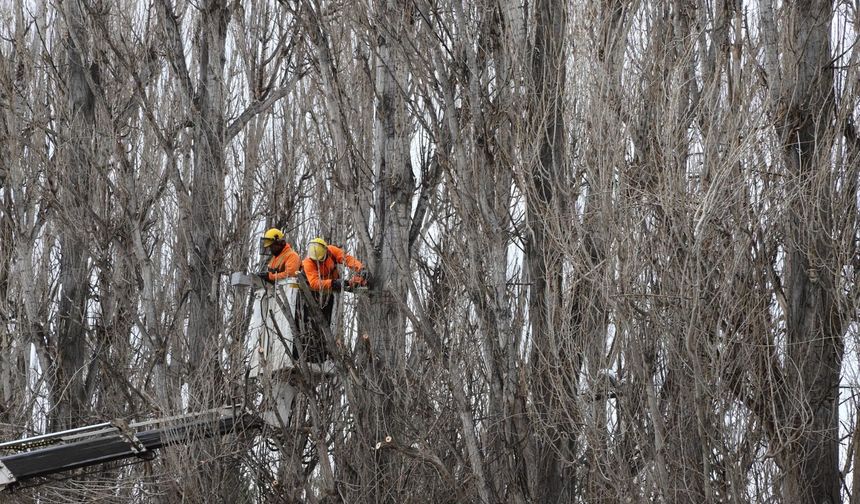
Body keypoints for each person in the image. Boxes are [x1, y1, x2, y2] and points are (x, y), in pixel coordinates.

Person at [296, 237, 371, 363]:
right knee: (314, 323)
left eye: (321, 260)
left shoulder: (332, 251)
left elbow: (347, 259)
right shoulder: (308, 262)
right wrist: (333, 283)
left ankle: (326, 353)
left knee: (329, 321)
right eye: (317, 262)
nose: (319, 263)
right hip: (313, 293)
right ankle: (313, 355)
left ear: (326, 251)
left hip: (330, 290)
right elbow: (314, 283)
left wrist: (360, 268)